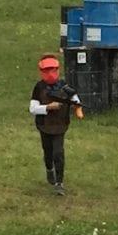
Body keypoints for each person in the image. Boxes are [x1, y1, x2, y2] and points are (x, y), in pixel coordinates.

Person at [28, 53, 82, 195]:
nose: (50, 74)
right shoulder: (39, 88)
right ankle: (49, 169)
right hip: (44, 125)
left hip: (60, 125)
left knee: (58, 152)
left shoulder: (64, 85)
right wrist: (48, 107)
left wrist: (77, 107)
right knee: (48, 152)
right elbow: (32, 109)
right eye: (47, 71)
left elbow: (75, 98)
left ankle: (59, 183)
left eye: (53, 70)